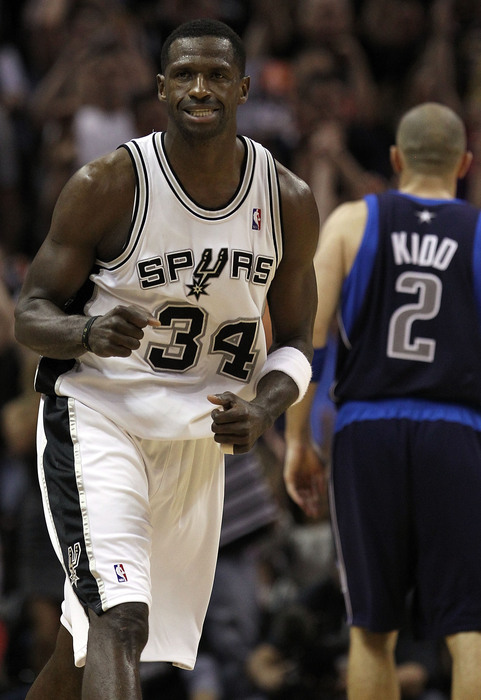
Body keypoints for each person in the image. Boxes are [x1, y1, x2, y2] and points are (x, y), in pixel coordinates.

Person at [13, 18, 319, 700]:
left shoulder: (288, 200)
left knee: (81, 645)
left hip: (194, 437)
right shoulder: (109, 183)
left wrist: (266, 407)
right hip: (100, 413)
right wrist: (87, 336)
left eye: (215, 75)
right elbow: (29, 312)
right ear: (160, 88)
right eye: (183, 74)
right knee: (119, 620)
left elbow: (298, 340)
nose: (199, 88)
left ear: (243, 88)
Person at [283, 101, 481, 700]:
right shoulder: (477, 233)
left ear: (395, 159)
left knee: (372, 630)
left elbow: (305, 344)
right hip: (456, 432)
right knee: (469, 628)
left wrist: (298, 443)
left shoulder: (350, 222)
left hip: (366, 432)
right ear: (464, 164)